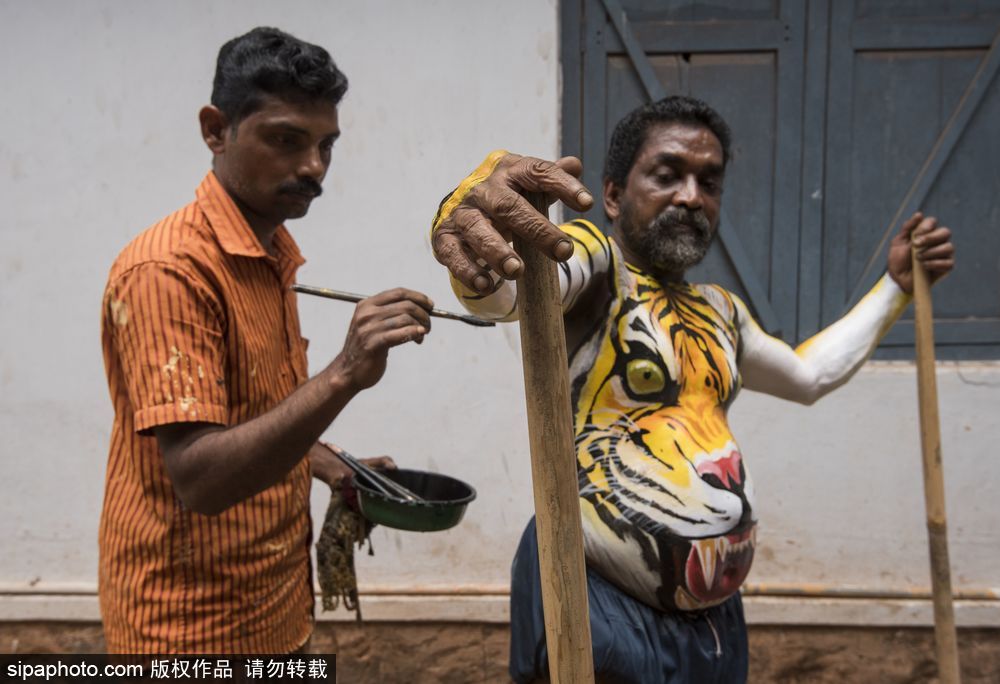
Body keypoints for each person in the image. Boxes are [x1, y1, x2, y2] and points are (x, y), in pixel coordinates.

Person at [429, 96, 955, 682]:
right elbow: (520, 289)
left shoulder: (720, 311)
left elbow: (808, 378)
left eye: (709, 182)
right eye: (666, 174)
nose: (690, 196)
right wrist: (478, 235)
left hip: (713, 624)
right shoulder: (600, 266)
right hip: (599, 605)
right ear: (611, 195)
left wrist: (894, 287)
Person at [99, 27, 434, 654]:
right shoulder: (168, 272)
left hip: (276, 612)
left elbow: (249, 414)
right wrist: (343, 375)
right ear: (215, 129)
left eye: (325, 145)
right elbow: (201, 479)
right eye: (286, 140)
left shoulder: (270, 252)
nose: (312, 167)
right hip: (189, 634)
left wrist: (326, 460)